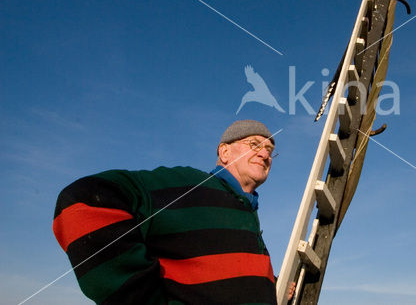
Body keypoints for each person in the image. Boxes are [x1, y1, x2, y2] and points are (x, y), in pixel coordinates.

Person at [53, 119, 289, 304]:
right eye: (255, 144)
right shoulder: (190, 185)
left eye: (270, 149)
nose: (265, 154)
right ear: (224, 152)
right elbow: (84, 199)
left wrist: (272, 285)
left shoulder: (247, 213)